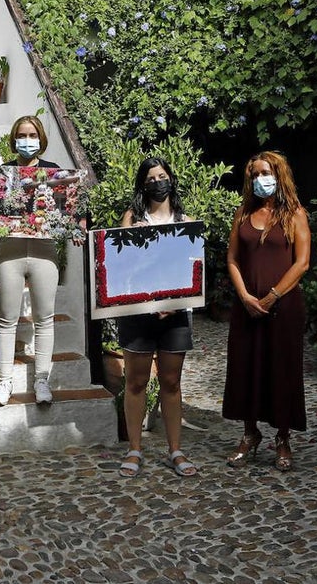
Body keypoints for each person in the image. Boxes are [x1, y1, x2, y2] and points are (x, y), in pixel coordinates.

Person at [222, 151, 310, 471]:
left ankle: (282, 439)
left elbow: (302, 263)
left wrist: (272, 296)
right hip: (246, 305)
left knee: (282, 369)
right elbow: (232, 258)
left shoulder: (295, 214)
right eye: (256, 174)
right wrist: (245, 295)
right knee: (246, 367)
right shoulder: (243, 213)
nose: (261, 179)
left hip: (283, 307)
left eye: (267, 172)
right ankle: (250, 434)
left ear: (279, 175)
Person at [116, 156, 197, 478]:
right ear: (143, 184)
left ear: (171, 180)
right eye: (150, 178)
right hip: (137, 312)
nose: (157, 182)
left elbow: (194, 270)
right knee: (135, 382)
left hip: (176, 314)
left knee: (171, 382)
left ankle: (175, 450)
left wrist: (175, 303)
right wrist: (130, 239)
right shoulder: (132, 217)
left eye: (162, 176)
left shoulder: (186, 220)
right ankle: (135, 449)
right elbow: (119, 266)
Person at [0, 115, 60, 407]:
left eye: (33, 135)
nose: (27, 140)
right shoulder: (1, 172)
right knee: (7, 320)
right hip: (11, 250)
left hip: (44, 252)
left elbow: (63, 216)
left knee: (44, 319)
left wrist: (73, 229)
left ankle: (42, 380)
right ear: (14, 138)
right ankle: (4, 380)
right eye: (22, 134)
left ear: (41, 139)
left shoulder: (56, 172)